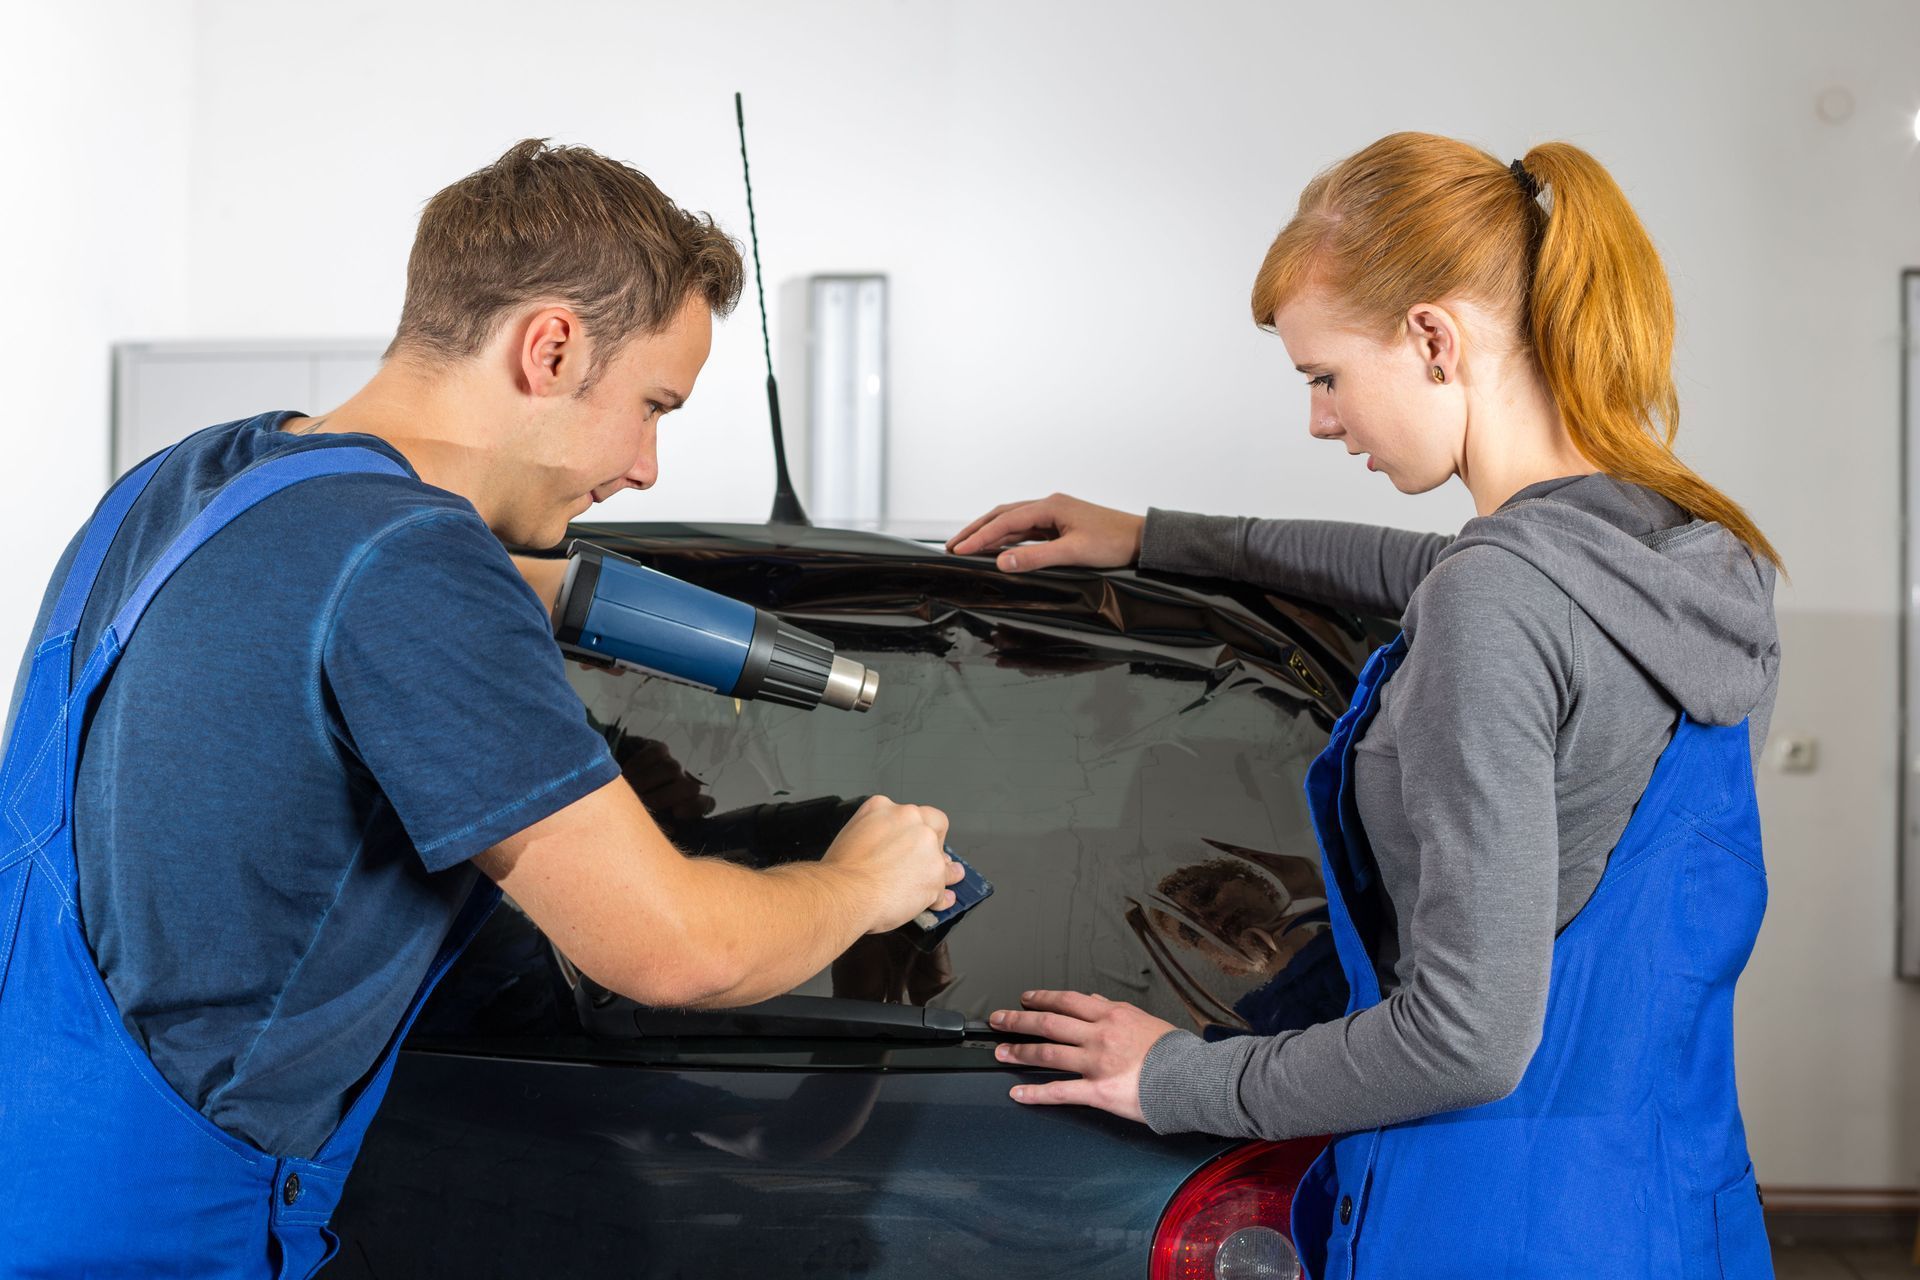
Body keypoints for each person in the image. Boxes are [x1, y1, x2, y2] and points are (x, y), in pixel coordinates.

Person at [0, 139, 959, 1279]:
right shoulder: (414, 566)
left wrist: (535, 591)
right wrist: (863, 883)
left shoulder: (182, 481)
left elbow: (313, 596)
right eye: (651, 404)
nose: (647, 466)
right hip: (160, 1240)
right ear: (549, 346)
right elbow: (678, 952)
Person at [953, 133, 1781, 1275]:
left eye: (1324, 376)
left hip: (1491, 1227)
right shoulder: (1691, 563)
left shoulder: (1500, 602)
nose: (1322, 421)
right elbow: (1434, 569)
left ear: (1435, 338)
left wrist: (1174, 1076)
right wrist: (1157, 538)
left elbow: (1466, 1037)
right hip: (1673, 1209)